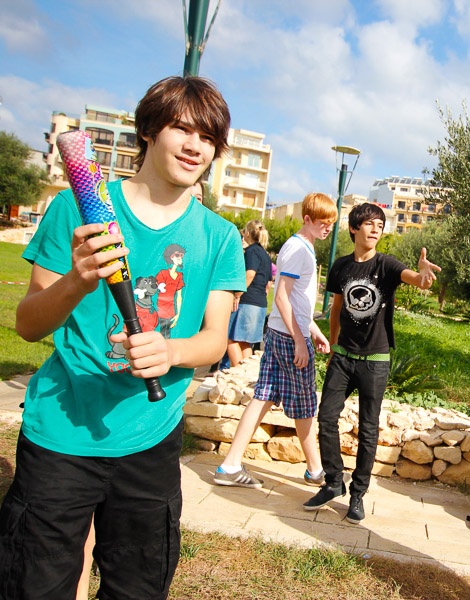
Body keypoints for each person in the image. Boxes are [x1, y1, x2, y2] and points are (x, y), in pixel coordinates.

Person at [0, 76, 246, 599]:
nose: (195, 146)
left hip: (150, 440)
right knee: (34, 585)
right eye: (182, 129)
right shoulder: (76, 208)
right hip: (62, 434)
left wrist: (170, 351)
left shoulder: (219, 236)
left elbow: (213, 340)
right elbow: (28, 324)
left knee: (138, 589)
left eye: (208, 138)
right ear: (150, 131)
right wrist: (77, 279)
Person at [303, 203, 441, 524]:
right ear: (354, 229)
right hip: (343, 357)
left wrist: (424, 275)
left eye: (380, 224)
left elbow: (417, 280)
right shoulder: (341, 267)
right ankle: (334, 482)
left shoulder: (387, 264)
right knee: (326, 417)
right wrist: (334, 344)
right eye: (369, 223)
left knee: (368, 429)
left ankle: (358, 494)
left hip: (375, 361)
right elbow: (337, 307)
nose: (376, 228)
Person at [213, 193, 337, 488]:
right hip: (289, 337)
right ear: (307, 219)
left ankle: (230, 466)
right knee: (304, 404)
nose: (328, 228)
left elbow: (296, 300)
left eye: (331, 223)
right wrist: (300, 339)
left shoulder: (302, 247)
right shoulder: (298, 249)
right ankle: (316, 471)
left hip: (284, 333)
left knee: (264, 396)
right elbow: (281, 297)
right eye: (323, 222)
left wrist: (312, 330)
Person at [225, 220, 272, 368]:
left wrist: (237, 295)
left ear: (248, 234)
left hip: (247, 302)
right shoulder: (265, 255)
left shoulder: (251, 251)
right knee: (245, 342)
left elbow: (250, 274)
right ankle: (245, 374)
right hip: (260, 303)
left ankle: (237, 373)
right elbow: (268, 282)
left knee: (230, 339)